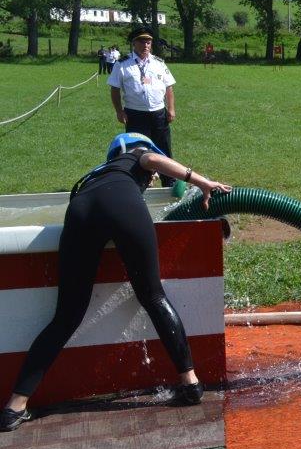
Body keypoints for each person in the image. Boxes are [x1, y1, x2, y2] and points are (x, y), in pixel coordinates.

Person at [1, 134, 231, 432]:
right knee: (153, 296)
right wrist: (202, 182)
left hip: (80, 211)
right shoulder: (136, 154)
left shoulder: (94, 174)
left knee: (66, 316)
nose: (151, 180)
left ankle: (15, 406)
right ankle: (190, 383)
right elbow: (154, 159)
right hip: (122, 205)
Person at [108, 25, 178, 185]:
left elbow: (169, 87)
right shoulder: (122, 64)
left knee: (164, 148)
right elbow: (114, 89)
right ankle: (141, 184)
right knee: (138, 151)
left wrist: (171, 108)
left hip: (159, 113)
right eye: (141, 42)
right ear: (134, 43)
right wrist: (119, 111)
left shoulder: (159, 63)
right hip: (135, 115)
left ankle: (169, 181)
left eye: (148, 42)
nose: (145, 45)